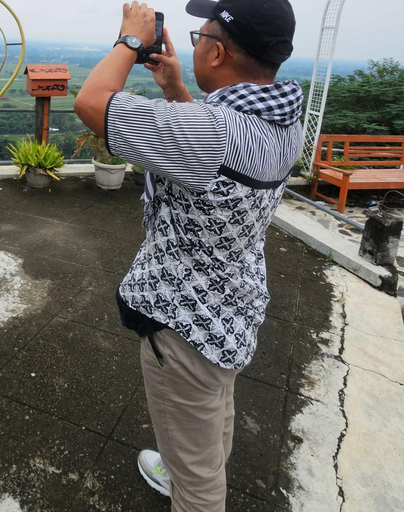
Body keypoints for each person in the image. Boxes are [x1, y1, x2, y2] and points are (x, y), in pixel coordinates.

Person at [73, 0, 303, 511]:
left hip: (186, 323)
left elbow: (92, 103)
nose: (193, 43)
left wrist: (130, 41)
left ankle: (188, 481)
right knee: (214, 410)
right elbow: (209, 146)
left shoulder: (213, 135)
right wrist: (177, 89)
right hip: (233, 306)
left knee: (199, 482)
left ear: (218, 52)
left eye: (200, 36)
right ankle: (186, 463)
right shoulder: (284, 119)